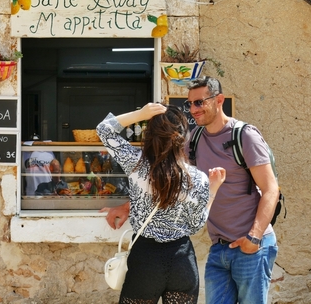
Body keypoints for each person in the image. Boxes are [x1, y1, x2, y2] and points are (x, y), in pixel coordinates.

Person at [103, 76, 279, 304]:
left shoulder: (244, 136)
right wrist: (130, 205)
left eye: (199, 102)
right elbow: (167, 181)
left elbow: (271, 189)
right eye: (189, 104)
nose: (193, 109)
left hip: (250, 246)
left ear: (219, 100)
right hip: (217, 248)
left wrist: (253, 238)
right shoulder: (193, 139)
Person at [96, 104, 226, 304]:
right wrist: (213, 190)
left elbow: (104, 129)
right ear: (183, 137)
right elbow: (196, 225)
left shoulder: (137, 164)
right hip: (182, 261)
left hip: (146, 261)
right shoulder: (197, 178)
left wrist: (141, 113)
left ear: (150, 135)